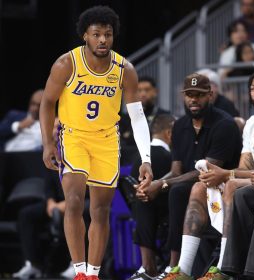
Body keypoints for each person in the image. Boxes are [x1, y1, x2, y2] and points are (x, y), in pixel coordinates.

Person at [39, 6, 153, 280]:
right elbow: (47, 103)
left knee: (101, 210)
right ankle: (79, 271)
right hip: (74, 137)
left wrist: (146, 158)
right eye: (96, 34)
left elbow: (137, 117)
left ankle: (93, 273)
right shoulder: (66, 64)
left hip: (106, 140)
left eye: (108, 34)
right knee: (75, 201)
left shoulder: (125, 69)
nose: (103, 40)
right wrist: (47, 143)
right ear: (85, 37)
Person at [161, 71, 254, 280]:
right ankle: (183, 270)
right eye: (253, 88)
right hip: (251, 177)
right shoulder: (252, 122)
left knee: (231, 185)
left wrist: (228, 175)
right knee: (198, 186)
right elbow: (245, 164)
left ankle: (223, 268)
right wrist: (230, 175)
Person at [136, 73, 242, 279]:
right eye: (189, 95)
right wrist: (152, 185)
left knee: (177, 191)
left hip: (217, 187)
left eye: (199, 95)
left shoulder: (224, 124)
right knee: (144, 197)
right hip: (184, 186)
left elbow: (208, 170)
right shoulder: (180, 126)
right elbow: (176, 170)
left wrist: (163, 183)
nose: (193, 99)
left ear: (210, 95)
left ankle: (174, 268)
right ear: (183, 96)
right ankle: (147, 267)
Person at [129, 114, 175, 280]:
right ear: (169, 133)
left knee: (142, 200)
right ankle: (157, 267)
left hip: (143, 214)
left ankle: (147, 266)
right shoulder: (168, 157)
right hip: (167, 214)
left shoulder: (137, 157)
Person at [120, 76, 170, 146]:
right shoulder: (126, 118)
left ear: (155, 92)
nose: (143, 94)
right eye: (139, 90)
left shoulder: (165, 116)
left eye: (147, 90)